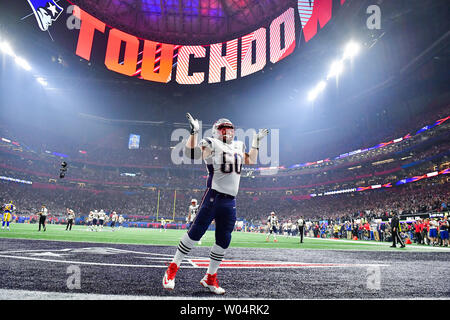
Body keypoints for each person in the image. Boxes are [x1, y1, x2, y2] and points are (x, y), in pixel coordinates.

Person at [162, 113, 268, 295]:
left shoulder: (238, 145)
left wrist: (256, 142)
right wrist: (194, 133)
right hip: (214, 196)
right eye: (223, 129)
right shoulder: (211, 142)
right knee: (195, 233)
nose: (228, 133)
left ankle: (210, 277)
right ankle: (171, 270)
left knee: (224, 240)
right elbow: (190, 153)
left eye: (230, 129)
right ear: (216, 131)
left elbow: (250, 160)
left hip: (230, 200)